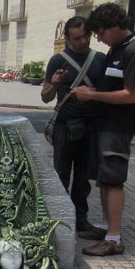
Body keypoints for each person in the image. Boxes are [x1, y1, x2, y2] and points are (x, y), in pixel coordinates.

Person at [70, 2, 135, 256]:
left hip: (118, 127)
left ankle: (114, 239)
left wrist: (94, 96)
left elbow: (130, 95)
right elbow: (112, 87)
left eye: (101, 33)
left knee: (114, 181)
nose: (100, 39)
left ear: (115, 26)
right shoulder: (118, 48)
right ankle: (106, 229)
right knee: (104, 180)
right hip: (104, 124)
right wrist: (92, 92)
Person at [41, 16, 106, 240]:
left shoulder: (99, 59)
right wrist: (56, 84)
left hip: (90, 126)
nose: (83, 41)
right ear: (67, 38)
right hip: (65, 126)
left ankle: (80, 218)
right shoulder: (57, 60)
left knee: (83, 177)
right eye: (77, 38)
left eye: (86, 36)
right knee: (60, 173)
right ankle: (59, 217)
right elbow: (46, 97)